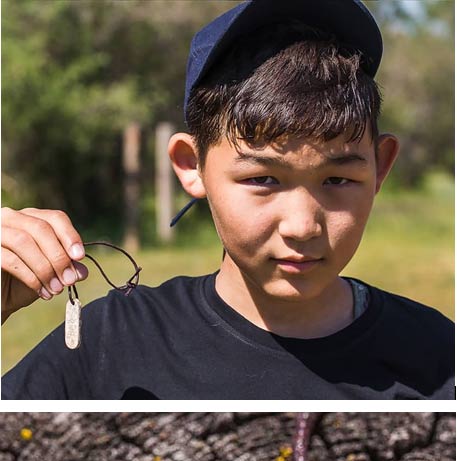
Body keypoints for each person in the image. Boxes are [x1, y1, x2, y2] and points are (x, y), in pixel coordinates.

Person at [2, 0, 454, 399]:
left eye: (336, 180)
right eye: (263, 179)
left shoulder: (438, 359)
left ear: (380, 167)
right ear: (190, 166)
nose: (301, 226)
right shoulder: (111, 344)